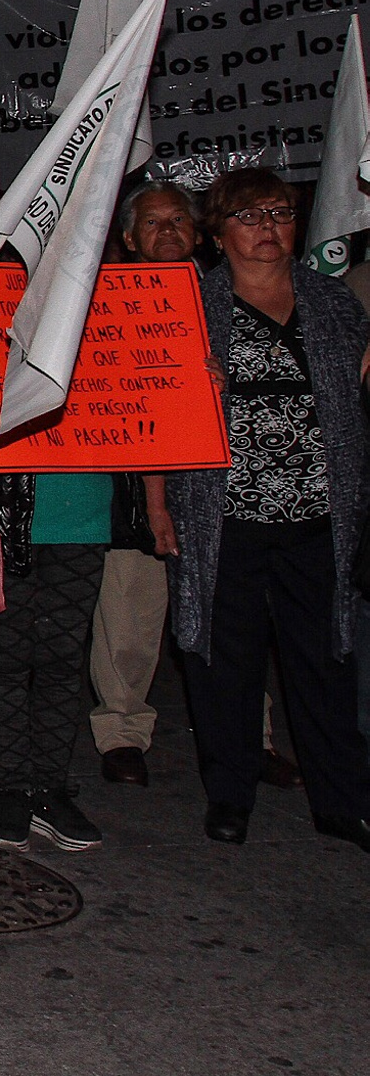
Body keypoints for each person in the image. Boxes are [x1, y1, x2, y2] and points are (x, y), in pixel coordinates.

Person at [164, 169, 370, 849]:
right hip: (223, 516)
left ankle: (339, 797)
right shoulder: (189, 304)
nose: (266, 227)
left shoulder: (332, 303)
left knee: (324, 658)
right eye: (248, 215)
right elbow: (151, 412)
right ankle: (229, 793)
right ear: (218, 234)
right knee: (225, 661)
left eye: (278, 212)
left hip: (318, 514)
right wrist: (190, 387)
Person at [91, 183, 198, 789]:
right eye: (152, 223)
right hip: (131, 484)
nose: (167, 231)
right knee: (128, 617)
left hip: (217, 489)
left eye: (178, 219)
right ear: (128, 239)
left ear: (200, 231)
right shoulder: (103, 299)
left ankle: (250, 735)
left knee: (229, 621)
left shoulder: (222, 298)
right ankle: (122, 734)